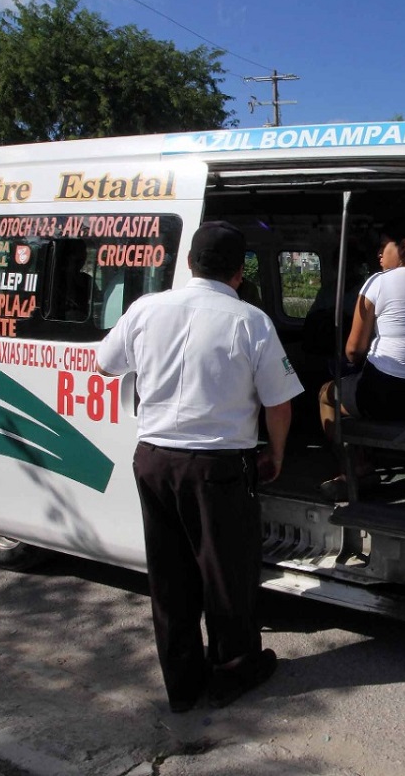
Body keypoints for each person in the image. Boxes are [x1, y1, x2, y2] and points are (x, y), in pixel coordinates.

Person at [97, 221, 304, 713]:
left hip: (152, 461)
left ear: (188, 262)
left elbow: (106, 364)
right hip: (216, 468)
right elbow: (280, 403)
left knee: (169, 578)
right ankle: (231, 673)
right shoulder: (250, 321)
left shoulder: (145, 309)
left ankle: (182, 685)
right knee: (226, 575)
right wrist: (275, 453)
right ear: (239, 272)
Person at [318, 219, 405, 495]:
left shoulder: (379, 283)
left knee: (326, 394)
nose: (378, 254)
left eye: (383, 246)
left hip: (383, 393)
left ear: (404, 246)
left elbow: (353, 350)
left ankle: (355, 470)